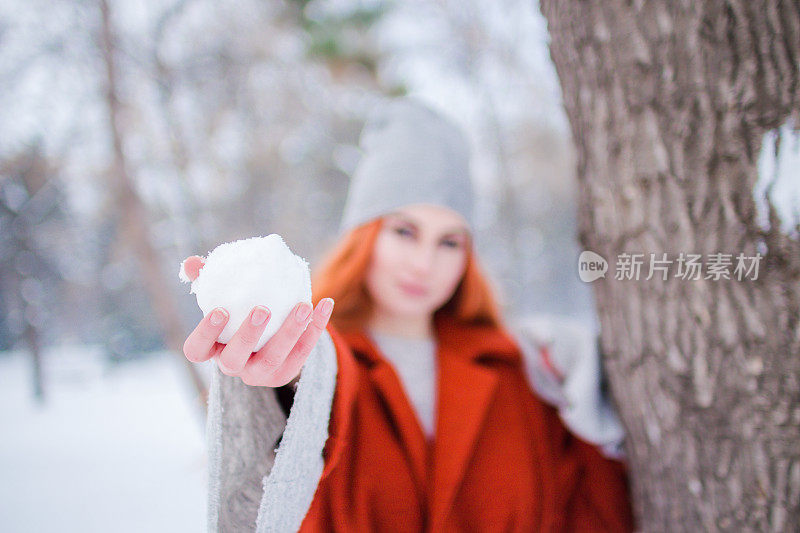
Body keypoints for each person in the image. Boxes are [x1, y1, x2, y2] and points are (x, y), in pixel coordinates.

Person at [182, 98, 635, 532]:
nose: (424, 263)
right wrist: (285, 382)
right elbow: (311, 403)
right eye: (404, 231)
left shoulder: (521, 373)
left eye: (449, 241)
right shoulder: (327, 366)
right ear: (364, 236)